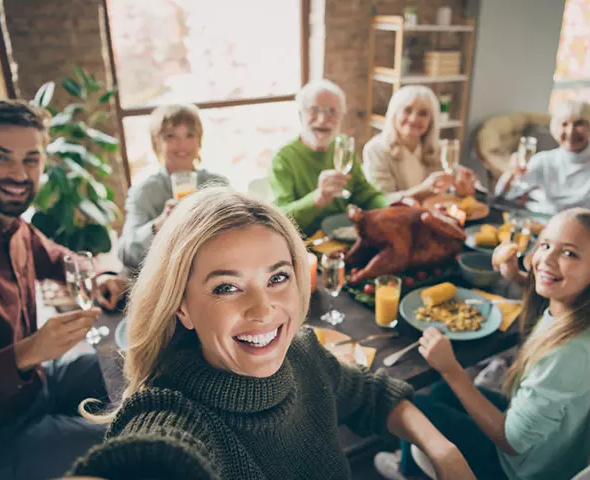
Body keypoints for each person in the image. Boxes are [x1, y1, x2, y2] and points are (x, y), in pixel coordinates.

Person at [69, 188, 475, 479]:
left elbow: (371, 395)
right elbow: (149, 460)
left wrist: (444, 451)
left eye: (278, 277)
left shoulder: (303, 354)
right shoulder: (173, 416)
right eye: (226, 287)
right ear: (182, 306)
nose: (263, 309)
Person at [375, 208, 590, 480]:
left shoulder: (566, 355)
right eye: (545, 244)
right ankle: (412, 460)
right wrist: (519, 277)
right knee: (442, 392)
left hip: (519, 469)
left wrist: (450, 368)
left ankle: (409, 472)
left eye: (569, 253)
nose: (546, 258)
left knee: (413, 404)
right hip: (558, 450)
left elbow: (510, 442)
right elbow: (556, 295)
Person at [0, 100, 128, 480]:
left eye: (31, 159)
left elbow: (59, 257)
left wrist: (98, 275)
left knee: (136, 362)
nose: (19, 173)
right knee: (138, 437)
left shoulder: (14, 226)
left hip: (40, 385)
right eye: (0, 157)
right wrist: (25, 354)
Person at [269, 79, 389, 236]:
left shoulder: (343, 146)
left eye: (331, 111)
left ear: (341, 117)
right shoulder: (283, 159)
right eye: (314, 110)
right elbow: (279, 219)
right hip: (306, 244)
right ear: (300, 115)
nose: (322, 120)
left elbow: (364, 193)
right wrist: (317, 199)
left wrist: (391, 207)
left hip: (345, 235)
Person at [117, 103, 228, 272]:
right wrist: (158, 226)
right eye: (170, 136)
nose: (182, 144)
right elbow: (126, 255)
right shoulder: (145, 192)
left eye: (190, 135)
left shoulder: (218, 185)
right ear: (157, 143)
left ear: (199, 141)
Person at [494, 100, 590, 222]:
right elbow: (506, 195)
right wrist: (511, 173)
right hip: (540, 225)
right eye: (564, 124)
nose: (571, 131)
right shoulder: (543, 160)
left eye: (579, 124)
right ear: (555, 129)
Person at [363, 85, 477, 201]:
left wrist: (465, 187)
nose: (413, 119)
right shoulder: (376, 149)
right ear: (394, 113)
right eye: (407, 110)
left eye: (423, 113)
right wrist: (422, 190)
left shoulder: (440, 149)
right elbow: (381, 200)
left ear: (431, 121)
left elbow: (459, 188)